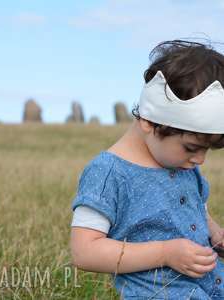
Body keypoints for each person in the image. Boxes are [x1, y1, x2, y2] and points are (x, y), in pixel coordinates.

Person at [70, 39, 224, 299]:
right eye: (191, 148)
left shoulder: (181, 164)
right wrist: (165, 253)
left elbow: (197, 211)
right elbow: (84, 251)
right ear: (150, 122)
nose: (200, 160)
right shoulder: (109, 173)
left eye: (207, 150)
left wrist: (216, 235)